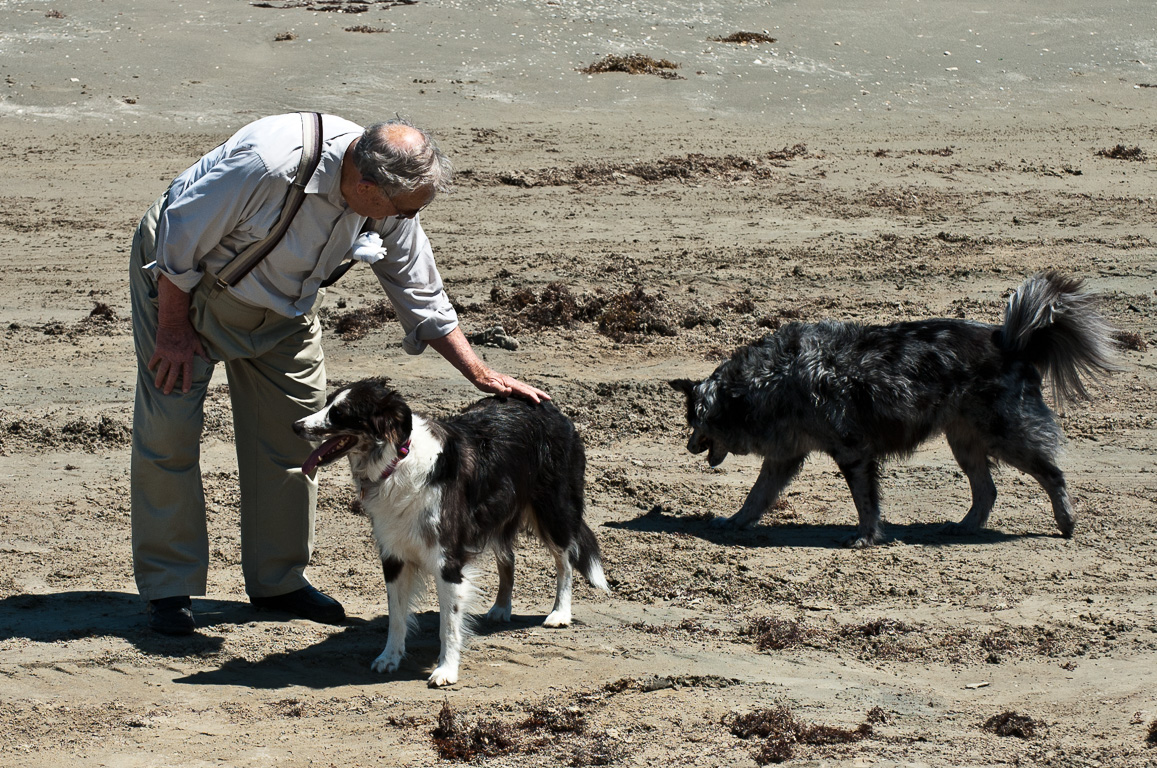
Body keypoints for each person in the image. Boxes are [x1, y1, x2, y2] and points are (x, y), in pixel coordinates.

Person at [130, 112, 548, 635]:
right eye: (402, 209)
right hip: (186, 288)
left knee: (297, 436)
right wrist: (171, 328)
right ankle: (169, 588)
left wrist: (479, 372)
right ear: (365, 184)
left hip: (285, 308)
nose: (405, 220)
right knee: (168, 434)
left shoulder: (393, 199)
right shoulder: (270, 160)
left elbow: (419, 290)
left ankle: (278, 582)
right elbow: (177, 237)